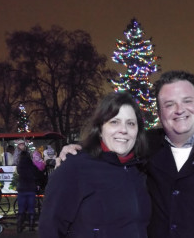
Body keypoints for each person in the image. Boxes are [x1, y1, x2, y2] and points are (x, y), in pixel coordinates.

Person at [58, 70, 194, 237]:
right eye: (169, 104)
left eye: (187, 101)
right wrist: (79, 150)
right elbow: (112, 144)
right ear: (160, 112)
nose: (179, 110)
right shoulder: (146, 146)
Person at [39, 92, 151, 238]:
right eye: (114, 122)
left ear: (137, 131)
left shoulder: (141, 170)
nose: (123, 130)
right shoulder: (74, 167)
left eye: (130, 123)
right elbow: (50, 229)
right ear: (99, 130)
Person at [16, 144, 44, 233]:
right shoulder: (32, 167)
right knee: (31, 208)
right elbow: (39, 175)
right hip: (31, 189)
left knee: (21, 209)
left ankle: (19, 227)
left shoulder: (19, 167)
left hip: (21, 190)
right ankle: (31, 227)